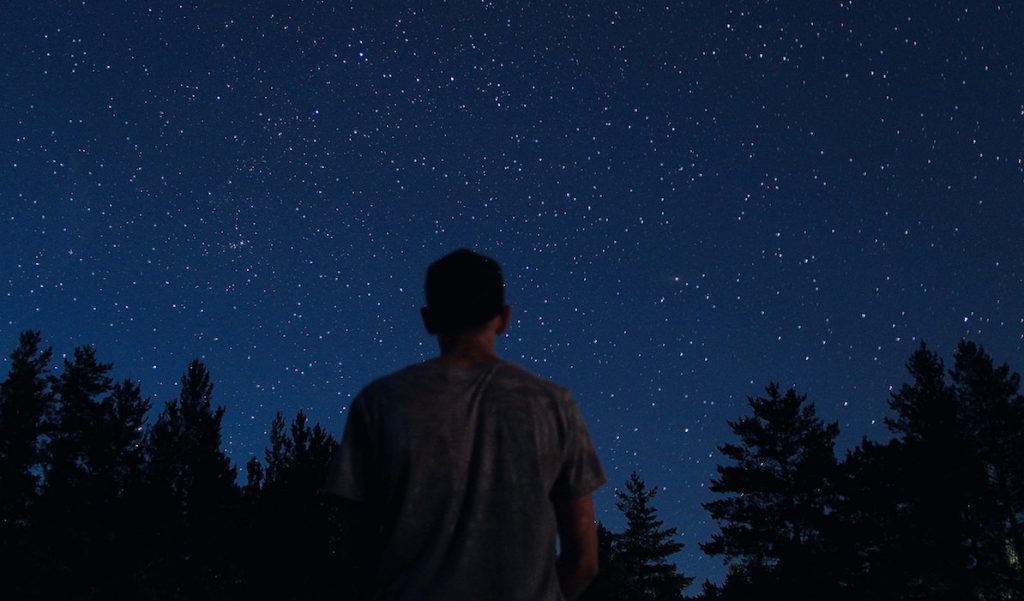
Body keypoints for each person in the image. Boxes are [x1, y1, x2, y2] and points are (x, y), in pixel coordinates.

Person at [325, 248, 606, 601]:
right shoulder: (554, 405)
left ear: (428, 319)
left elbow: (355, 555)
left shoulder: (380, 403)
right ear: (504, 318)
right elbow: (584, 561)